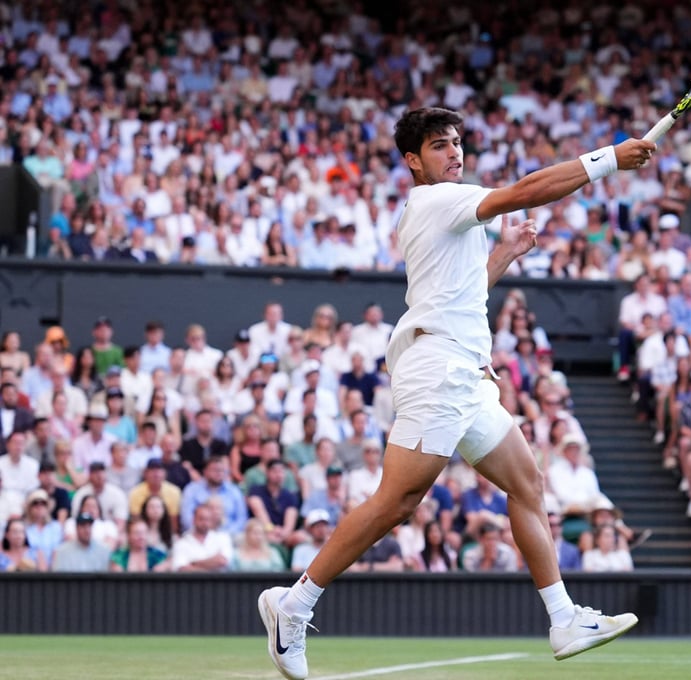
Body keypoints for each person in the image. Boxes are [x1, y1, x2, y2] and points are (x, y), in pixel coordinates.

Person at [258, 107, 649, 677]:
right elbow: (527, 190)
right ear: (413, 161)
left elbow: (463, 294)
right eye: (440, 146)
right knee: (397, 503)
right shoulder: (436, 200)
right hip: (437, 370)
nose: (455, 153)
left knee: (526, 482)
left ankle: (563, 618)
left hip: (466, 376)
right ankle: (292, 606)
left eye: (458, 143)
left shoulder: (452, 218)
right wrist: (610, 159)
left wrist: (504, 255)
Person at [172, 504, 233, 573]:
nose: (205, 523)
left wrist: (193, 563)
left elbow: (222, 561)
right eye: (201, 519)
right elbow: (182, 568)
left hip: (219, 583)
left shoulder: (222, 538)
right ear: (193, 520)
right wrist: (211, 564)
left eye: (207, 519)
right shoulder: (181, 543)